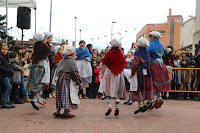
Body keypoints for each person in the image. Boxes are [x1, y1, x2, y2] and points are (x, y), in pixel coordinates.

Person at [99, 37, 128, 116]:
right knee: (116, 91)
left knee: (108, 91)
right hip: (118, 75)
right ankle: (117, 107)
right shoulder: (120, 54)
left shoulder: (109, 53)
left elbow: (104, 63)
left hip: (109, 73)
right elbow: (123, 64)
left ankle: (109, 107)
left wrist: (102, 73)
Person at [52, 45, 83, 118]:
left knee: (60, 95)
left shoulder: (62, 60)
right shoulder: (72, 61)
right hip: (67, 80)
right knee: (67, 95)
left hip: (60, 79)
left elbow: (58, 71)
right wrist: (80, 83)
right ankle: (66, 112)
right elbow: (75, 73)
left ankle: (57, 110)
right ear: (72, 53)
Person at [147, 31, 171, 110]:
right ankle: (159, 97)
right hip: (161, 64)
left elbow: (148, 51)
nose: (149, 38)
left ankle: (153, 100)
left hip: (153, 64)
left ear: (153, 37)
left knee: (152, 82)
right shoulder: (161, 44)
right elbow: (167, 52)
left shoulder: (150, 44)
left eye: (150, 36)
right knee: (159, 81)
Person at [26, 32, 50, 110]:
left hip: (34, 64)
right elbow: (47, 52)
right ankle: (33, 95)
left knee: (32, 79)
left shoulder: (36, 45)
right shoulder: (46, 47)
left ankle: (32, 95)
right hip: (40, 65)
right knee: (39, 81)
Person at [130, 38, 153, 114]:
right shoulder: (146, 52)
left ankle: (140, 105)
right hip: (146, 71)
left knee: (138, 87)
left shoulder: (137, 52)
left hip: (139, 71)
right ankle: (145, 103)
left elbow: (135, 64)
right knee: (145, 86)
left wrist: (132, 72)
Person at [0, 44, 15, 108]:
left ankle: (6, 101)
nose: (4, 51)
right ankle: (5, 102)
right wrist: (8, 71)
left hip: (6, 75)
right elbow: (1, 67)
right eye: (3, 49)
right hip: (3, 75)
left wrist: (10, 72)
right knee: (8, 87)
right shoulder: (1, 57)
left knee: (6, 88)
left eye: (6, 49)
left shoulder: (5, 57)